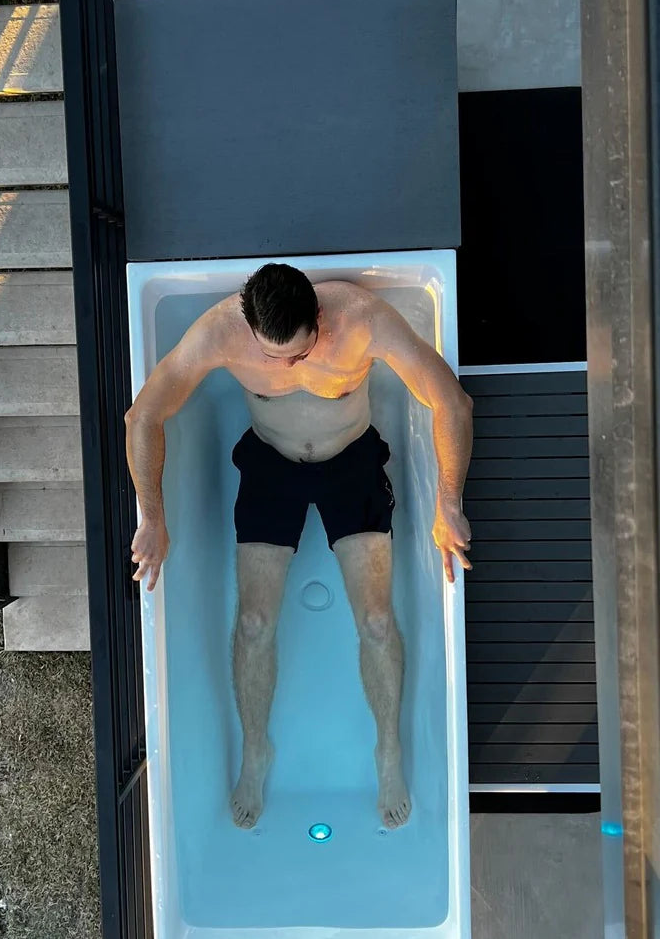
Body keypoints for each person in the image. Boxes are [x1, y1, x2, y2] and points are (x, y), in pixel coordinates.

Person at [124, 263, 474, 830]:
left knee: (377, 620)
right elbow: (143, 414)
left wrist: (448, 502)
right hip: (271, 464)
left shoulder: (360, 319)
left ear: (318, 316)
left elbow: (451, 401)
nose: (288, 368)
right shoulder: (222, 332)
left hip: (351, 461)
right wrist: (152, 517)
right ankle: (256, 746)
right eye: (274, 359)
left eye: (301, 353)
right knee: (254, 623)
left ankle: (388, 746)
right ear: (250, 325)